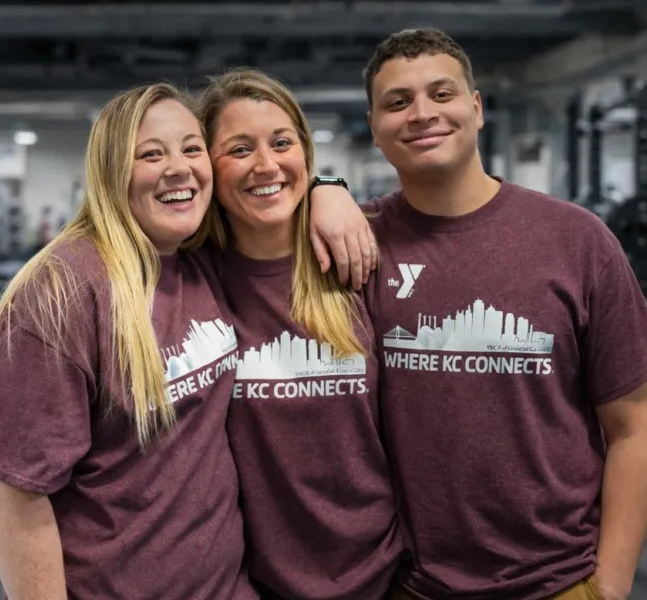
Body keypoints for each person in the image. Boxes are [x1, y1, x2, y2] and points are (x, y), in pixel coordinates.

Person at [0, 83, 376, 599]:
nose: (178, 168)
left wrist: (328, 184)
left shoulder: (195, 263)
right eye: (151, 154)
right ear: (112, 170)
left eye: (190, 149)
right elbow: (13, 493)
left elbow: (271, 182)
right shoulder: (63, 292)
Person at [360, 28, 647, 600]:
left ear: (476, 109)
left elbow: (635, 425)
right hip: (410, 586)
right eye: (397, 102)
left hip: (556, 582)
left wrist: (611, 586)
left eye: (442, 94)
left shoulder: (577, 239)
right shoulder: (355, 242)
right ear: (376, 129)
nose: (422, 114)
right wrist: (323, 185)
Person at [189, 68, 403, 600]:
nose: (266, 165)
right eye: (240, 149)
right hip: (251, 582)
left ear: (304, 152)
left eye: (282, 143)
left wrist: (329, 184)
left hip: (384, 575)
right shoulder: (193, 277)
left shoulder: (358, 258)